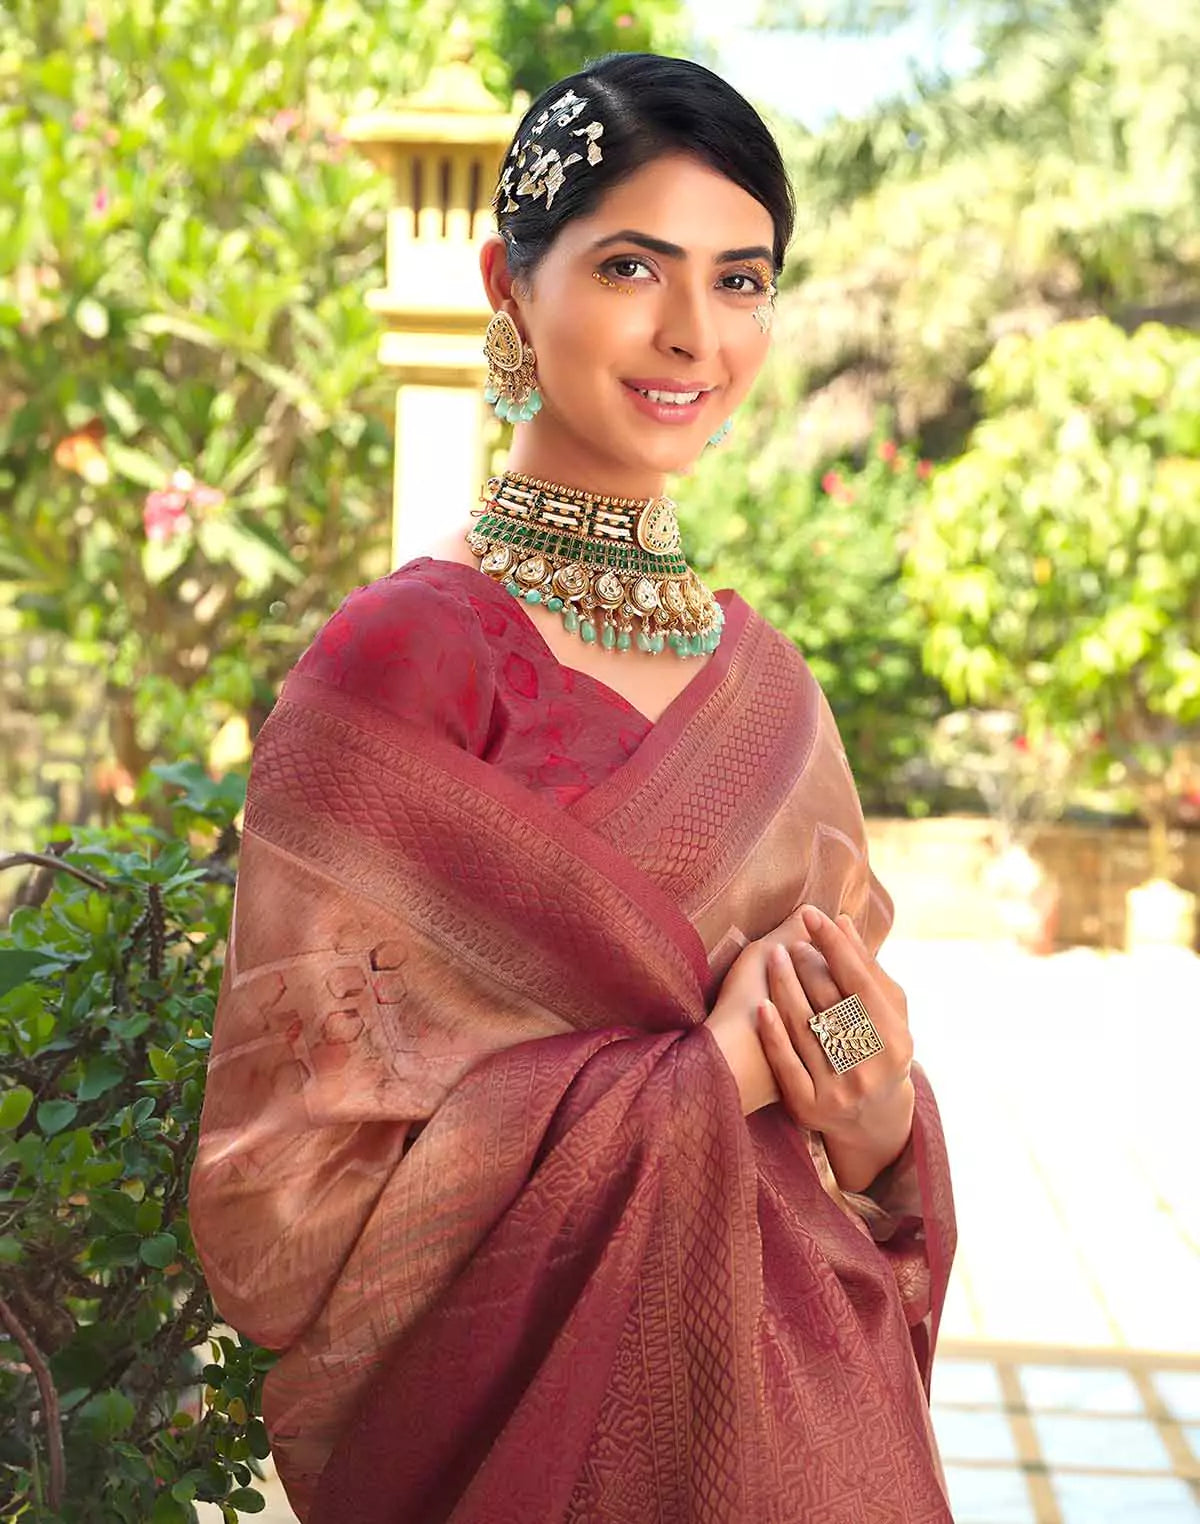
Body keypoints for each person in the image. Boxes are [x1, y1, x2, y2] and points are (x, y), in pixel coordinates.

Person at [190, 52, 957, 1524]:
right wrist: (707, 1082)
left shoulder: (771, 689)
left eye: (743, 280)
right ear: (506, 286)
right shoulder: (398, 663)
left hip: (819, 1440)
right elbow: (285, 1203)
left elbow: (849, 1079)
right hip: (549, 1461)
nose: (693, 334)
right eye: (631, 267)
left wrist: (875, 1120)